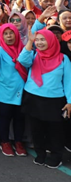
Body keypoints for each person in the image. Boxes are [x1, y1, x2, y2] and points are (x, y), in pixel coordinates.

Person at [19, 30, 71, 169]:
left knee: (55, 131)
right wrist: (30, 42)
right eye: (38, 40)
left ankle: (56, 156)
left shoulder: (63, 59)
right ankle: (40, 154)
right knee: (36, 129)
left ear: (51, 40)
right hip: (33, 97)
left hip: (54, 100)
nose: (40, 43)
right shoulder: (34, 55)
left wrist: (70, 101)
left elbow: (68, 82)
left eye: (43, 39)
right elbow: (22, 60)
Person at [0, 24, 28, 157]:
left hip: (21, 90)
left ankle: (18, 142)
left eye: (11, 33)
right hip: (4, 90)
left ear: (16, 34)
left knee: (19, 118)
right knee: (5, 117)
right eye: (6, 34)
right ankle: (5, 142)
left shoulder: (23, 49)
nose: (9, 36)